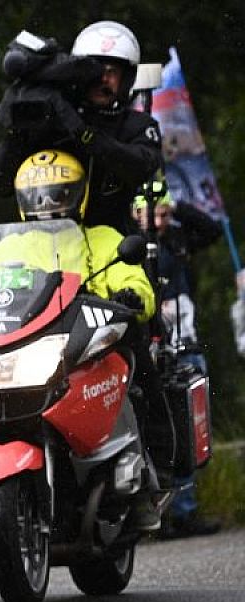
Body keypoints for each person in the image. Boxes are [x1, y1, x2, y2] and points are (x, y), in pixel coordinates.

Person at [7, 149, 172, 529]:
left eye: (58, 194)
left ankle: (152, 474)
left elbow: (135, 281)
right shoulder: (8, 247)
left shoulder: (102, 238)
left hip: (92, 343)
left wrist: (132, 296)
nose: (47, 205)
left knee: (139, 378)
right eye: (37, 197)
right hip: (30, 345)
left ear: (78, 194)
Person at [0, 20, 162, 232]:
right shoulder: (52, 118)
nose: (103, 79)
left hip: (112, 242)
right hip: (47, 240)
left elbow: (142, 167)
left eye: (111, 72)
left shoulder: (137, 125)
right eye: (95, 73)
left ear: (126, 79)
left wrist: (85, 135)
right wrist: (19, 131)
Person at [131, 179, 222, 539]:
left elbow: (212, 230)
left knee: (188, 428)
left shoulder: (176, 240)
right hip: (150, 350)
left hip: (185, 346)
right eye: (151, 214)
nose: (159, 222)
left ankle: (185, 511)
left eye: (164, 214)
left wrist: (176, 204)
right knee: (153, 430)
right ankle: (154, 514)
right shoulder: (130, 245)